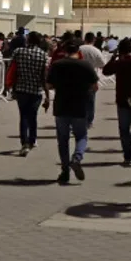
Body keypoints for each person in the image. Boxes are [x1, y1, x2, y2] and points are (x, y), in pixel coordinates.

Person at [46, 43, 99, 184]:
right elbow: (95, 86)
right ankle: (77, 158)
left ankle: (65, 171)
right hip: (79, 106)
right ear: (78, 51)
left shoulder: (57, 65)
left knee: (63, 140)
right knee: (81, 136)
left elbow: (49, 85)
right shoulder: (85, 65)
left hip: (61, 106)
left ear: (64, 51)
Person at [9, 31, 49, 156]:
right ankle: (32, 140)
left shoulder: (18, 52)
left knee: (23, 116)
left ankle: (24, 143)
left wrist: (10, 87)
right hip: (36, 90)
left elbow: (12, 70)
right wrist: (47, 94)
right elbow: (44, 77)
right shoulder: (43, 55)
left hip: (21, 89)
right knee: (33, 116)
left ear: (28, 40)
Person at [102, 38, 131, 166]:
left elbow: (105, 71)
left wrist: (113, 57)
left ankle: (127, 156)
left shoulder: (119, 63)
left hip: (122, 99)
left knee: (124, 129)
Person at [79, 32, 106, 128]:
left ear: (84, 39)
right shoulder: (96, 51)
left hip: (78, 78)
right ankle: (89, 121)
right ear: (93, 40)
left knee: (79, 100)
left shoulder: (79, 49)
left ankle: (80, 119)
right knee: (90, 101)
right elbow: (102, 64)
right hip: (91, 79)